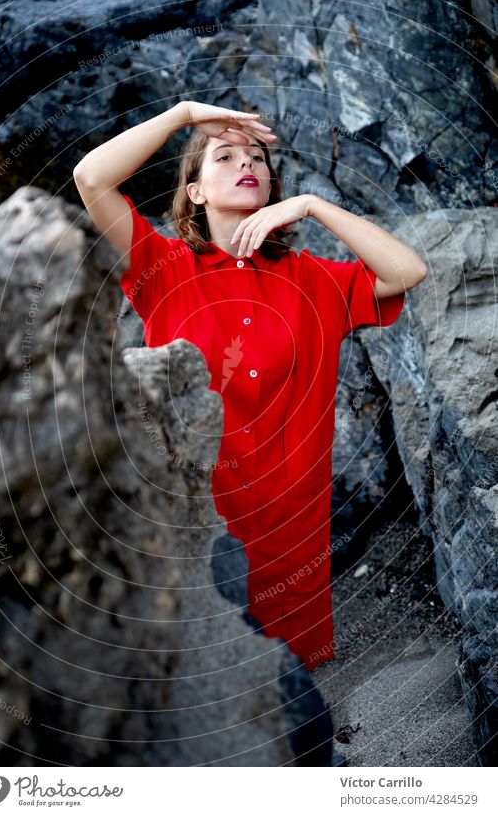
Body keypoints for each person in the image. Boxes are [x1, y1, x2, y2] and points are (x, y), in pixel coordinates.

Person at [73, 100, 428, 671]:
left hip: (292, 534)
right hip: (198, 526)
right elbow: (90, 177)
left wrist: (312, 206)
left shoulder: (312, 281)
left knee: (292, 713)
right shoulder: (162, 269)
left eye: (258, 157)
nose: (248, 164)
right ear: (195, 193)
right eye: (226, 155)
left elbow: (407, 272)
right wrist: (184, 115)